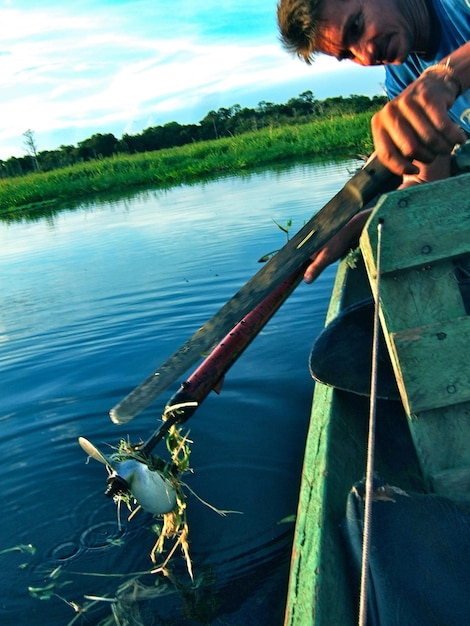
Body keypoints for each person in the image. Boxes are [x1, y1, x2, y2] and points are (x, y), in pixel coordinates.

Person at [276, 0, 470, 283]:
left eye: (356, 27)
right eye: (347, 54)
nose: (365, 57)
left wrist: (447, 75)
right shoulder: (403, 81)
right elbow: (425, 183)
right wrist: (363, 222)